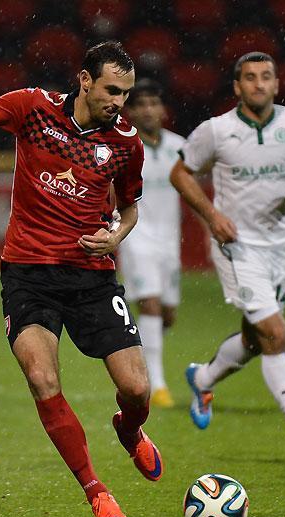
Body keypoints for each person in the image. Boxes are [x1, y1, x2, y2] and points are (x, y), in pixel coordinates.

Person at [0, 41, 163, 517]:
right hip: (28, 275)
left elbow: (129, 209)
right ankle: (96, 491)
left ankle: (129, 431)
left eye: (125, 93)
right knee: (42, 378)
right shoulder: (33, 108)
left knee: (137, 389)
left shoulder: (126, 144)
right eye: (111, 90)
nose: (119, 102)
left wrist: (116, 237)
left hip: (91, 276)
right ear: (84, 80)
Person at [170, 52, 285, 458]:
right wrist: (212, 216)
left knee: (255, 339)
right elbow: (179, 174)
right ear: (237, 87)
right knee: (275, 333)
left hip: (279, 246)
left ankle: (203, 379)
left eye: (266, 77)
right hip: (236, 246)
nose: (258, 84)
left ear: (276, 84)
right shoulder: (216, 131)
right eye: (250, 77)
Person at [118, 79, 186, 409]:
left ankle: (139, 343)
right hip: (136, 237)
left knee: (167, 316)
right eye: (141, 104)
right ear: (130, 111)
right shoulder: (124, 145)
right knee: (152, 306)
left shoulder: (180, 147)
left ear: (163, 109)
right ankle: (156, 385)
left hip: (169, 242)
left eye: (153, 103)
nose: (148, 110)